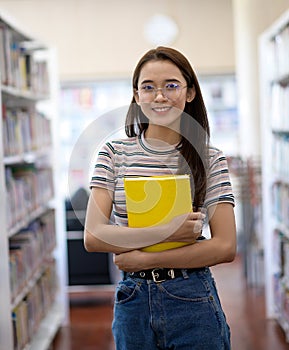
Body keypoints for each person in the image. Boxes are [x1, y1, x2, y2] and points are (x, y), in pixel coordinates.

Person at [84, 46, 236, 350]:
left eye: (171, 85)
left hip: (192, 297)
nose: (160, 96)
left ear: (190, 92)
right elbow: (94, 236)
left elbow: (225, 246)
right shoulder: (114, 153)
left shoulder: (210, 158)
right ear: (136, 95)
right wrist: (168, 232)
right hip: (133, 300)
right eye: (148, 87)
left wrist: (142, 258)